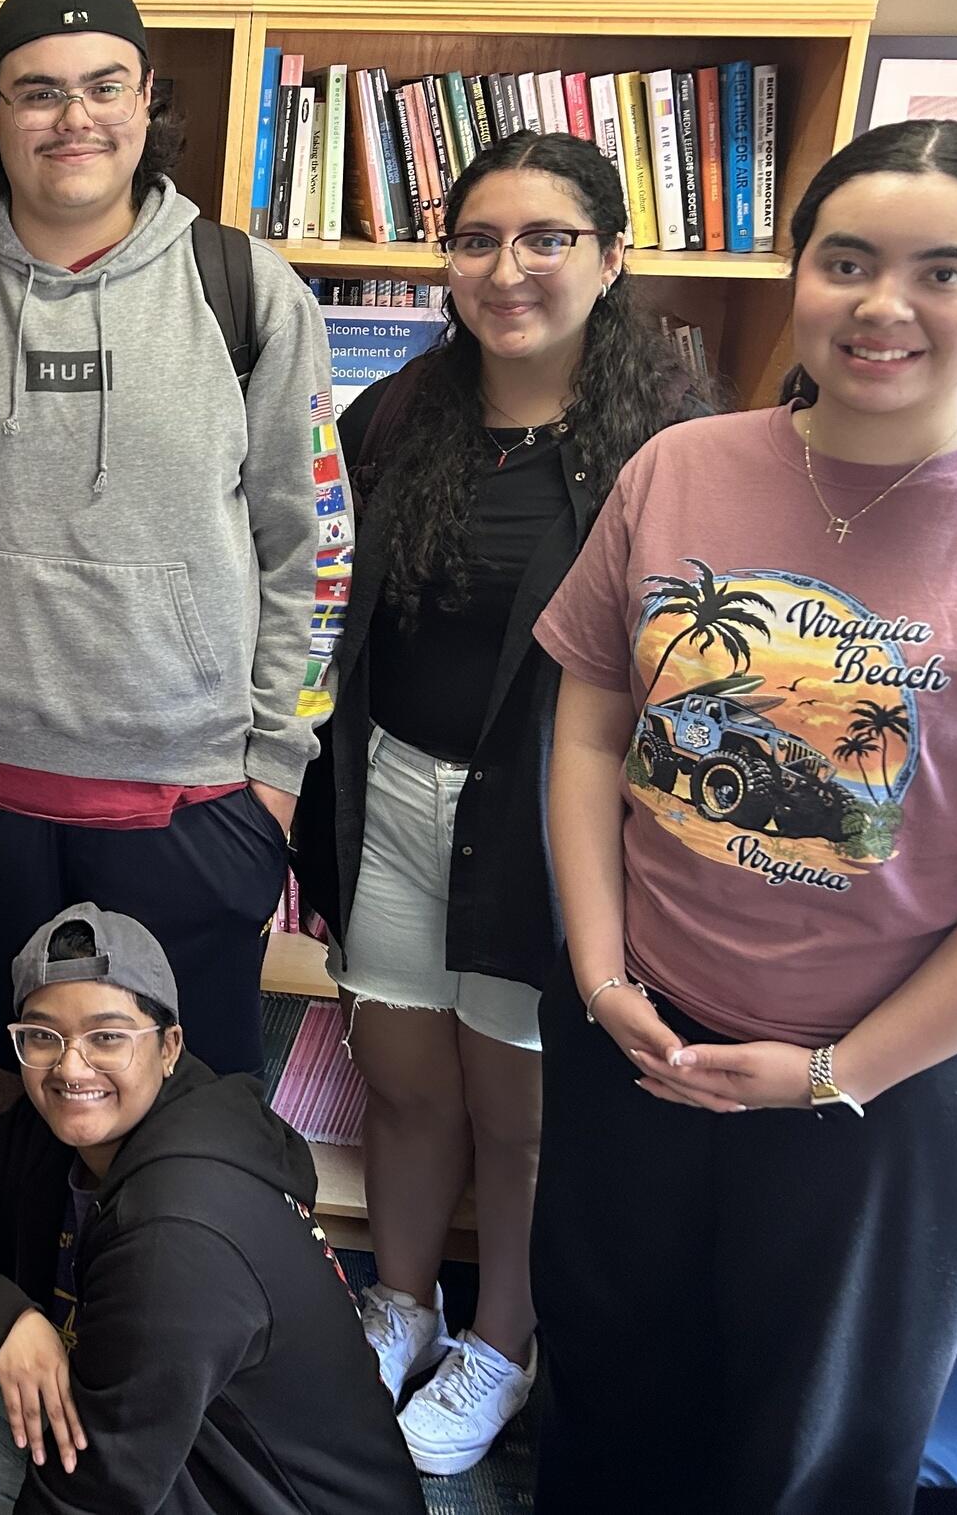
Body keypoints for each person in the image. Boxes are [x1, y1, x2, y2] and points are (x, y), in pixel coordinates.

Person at [531, 119, 957, 1514]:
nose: (883, 304)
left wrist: (838, 1069)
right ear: (801, 277)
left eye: (941, 270)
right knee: (608, 1395)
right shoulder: (680, 467)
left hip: (898, 1092)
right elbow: (594, 726)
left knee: (815, 1448)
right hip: (642, 1039)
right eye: (846, 261)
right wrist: (601, 977)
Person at [0, 0, 345, 1090]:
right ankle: (17, 1274)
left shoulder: (248, 294)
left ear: (145, 98)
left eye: (101, 86)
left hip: (194, 798)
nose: (72, 117)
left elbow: (316, 550)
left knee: (182, 1110)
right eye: (37, 92)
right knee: (16, 1095)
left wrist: (276, 772)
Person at [291, 131, 704, 1472]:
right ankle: (401, 1306)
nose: (508, 269)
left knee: (523, 1109)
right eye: (477, 240)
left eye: (547, 238)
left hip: (551, 823)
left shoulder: (672, 446)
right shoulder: (394, 415)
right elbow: (337, 629)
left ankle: (501, 1344)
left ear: (612, 257)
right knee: (402, 1081)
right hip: (393, 794)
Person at [0, 902, 424, 1515]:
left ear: (169, 1047)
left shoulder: (179, 1232)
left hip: (270, 1497)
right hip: (174, 1453)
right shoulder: (42, 1130)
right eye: (42, 1036)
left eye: (107, 1036)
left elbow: (98, 1497)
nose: (70, 1066)